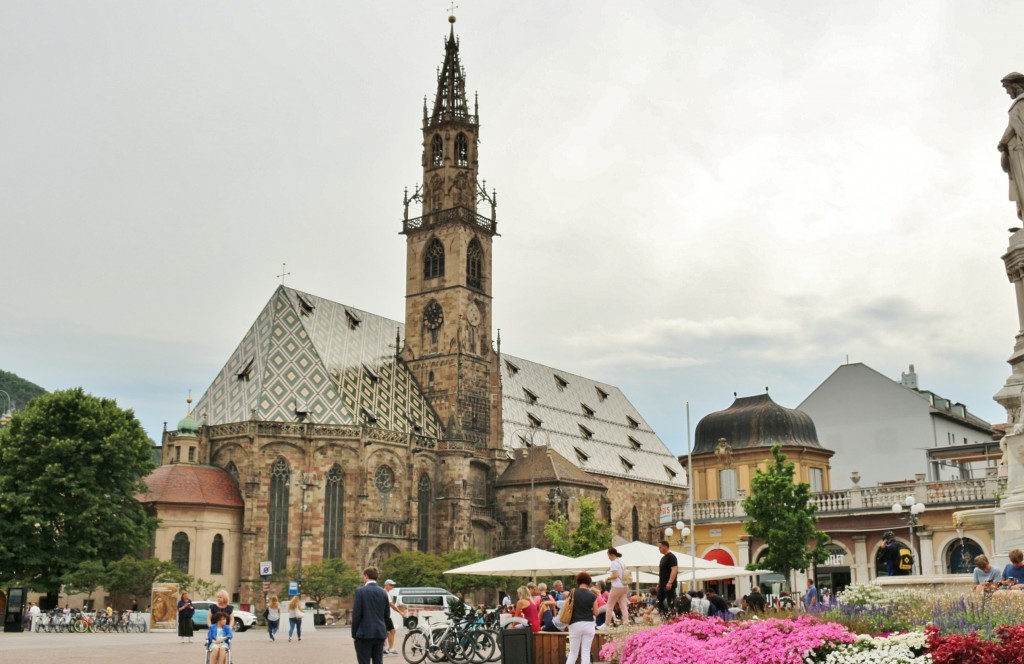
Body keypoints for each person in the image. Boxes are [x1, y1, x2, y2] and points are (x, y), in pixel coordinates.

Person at [352, 566, 391, 664]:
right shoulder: (383, 593)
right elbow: (387, 615)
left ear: (366, 576)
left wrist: (354, 634)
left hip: (364, 634)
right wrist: (385, 631)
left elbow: (356, 615)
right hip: (380, 633)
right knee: (378, 661)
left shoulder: (360, 592)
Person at [999, 72, 1024, 220]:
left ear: (1015, 87)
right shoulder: (1018, 104)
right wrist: (1002, 143)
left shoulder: (1021, 103)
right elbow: (1012, 127)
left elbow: (1019, 126)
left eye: (1008, 88)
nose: (1008, 92)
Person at [566, 572, 599, 664]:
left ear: (578, 581)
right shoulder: (592, 595)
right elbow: (596, 613)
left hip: (575, 624)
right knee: (585, 652)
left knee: (573, 653)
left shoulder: (572, 593)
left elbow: (567, 608)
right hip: (589, 624)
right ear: (589, 581)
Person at [605, 547, 631, 628]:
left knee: (609, 606)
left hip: (617, 587)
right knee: (623, 605)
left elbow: (615, 575)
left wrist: (608, 578)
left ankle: (607, 624)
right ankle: (626, 623)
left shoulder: (613, 563)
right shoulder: (622, 562)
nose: (608, 557)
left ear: (611, 555)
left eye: (608, 555)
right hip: (625, 586)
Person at [382, 579, 405, 656]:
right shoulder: (385, 593)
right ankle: (384, 649)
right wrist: (400, 612)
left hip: (385, 615)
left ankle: (389, 648)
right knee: (389, 631)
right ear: (386, 585)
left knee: (391, 631)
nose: (393, 587)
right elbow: (391, 605)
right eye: (391, 585)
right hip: (384, 615)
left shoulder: (385, 592)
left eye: (393, 585)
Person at [656, 540, 678, 616]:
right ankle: (664, 616)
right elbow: (661, 572)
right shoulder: (662, 558)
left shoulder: (672, 557)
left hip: (669, 584)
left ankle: (672, 617)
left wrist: (670, 582)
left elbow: (674, 570)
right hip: (662, 584)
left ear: (665, 547)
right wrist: (658, 583)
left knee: (670, 602)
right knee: (659, 601)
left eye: (660, 547)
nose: (659, 549)